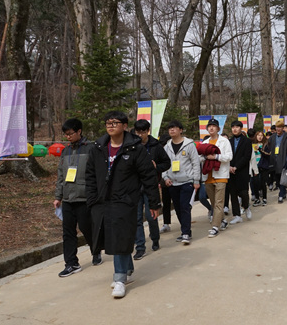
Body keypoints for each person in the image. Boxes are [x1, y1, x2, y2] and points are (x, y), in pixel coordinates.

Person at [86, 111, 161, 298]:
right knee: (112, 236)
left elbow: (148, 176)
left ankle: (119, 278)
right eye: (108, 122)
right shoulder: (98, 148)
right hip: (103, 201)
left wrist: (154, 203)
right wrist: (92, 199)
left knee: (119, 236)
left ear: (125, 126)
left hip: (125, 201)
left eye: (115, 122)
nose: (111, 125)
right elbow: (90, 175)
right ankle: (127, 268)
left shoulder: (135, 149)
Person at [54, 118, 101, 278]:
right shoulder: (65, 151)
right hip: (68, 198)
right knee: (68, 232)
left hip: (85, 197)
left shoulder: (92, 149)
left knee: (87, 228)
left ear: (79, 131)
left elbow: (98, 174)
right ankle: (71, 263)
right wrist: (58, 196)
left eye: (70, 133)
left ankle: (95, 250)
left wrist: (96, 195)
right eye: (66, 134)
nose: (68, 137)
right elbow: (61, 175)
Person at [131, 119, 171, 260]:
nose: (140, 135)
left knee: (151, 215)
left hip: (151, 185)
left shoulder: (156, 145)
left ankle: (155, 238)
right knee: (136, 218)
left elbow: (167, 163)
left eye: (143, 132)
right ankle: (140, 247)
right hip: (135, 186)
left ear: (148, 131)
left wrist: (156, 167)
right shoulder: (131, 146)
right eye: (138, 132)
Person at [162, 120, 201, 245]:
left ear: (180, 130)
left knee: (185, 207)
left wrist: (196, 180)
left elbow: (196, 163)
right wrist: (165, 178)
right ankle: (186, 231)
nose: (172, 130)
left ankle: (185, 232)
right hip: (173, 182)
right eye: (170, 128)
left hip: (187, 181)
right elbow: (164, 164)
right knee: (178, 208)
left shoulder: (189, 145)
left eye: (174, 128)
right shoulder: (166, 147)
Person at [201, 118, 233, 237]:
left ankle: (215, 226)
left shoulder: (224, 141)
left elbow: (229, 156)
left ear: (218, 128)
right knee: (214, 202)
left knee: (219, 202)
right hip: (208, 176)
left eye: (214, 126)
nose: (211, 128)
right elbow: (199, 157)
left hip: (220, 175)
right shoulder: (205, 143)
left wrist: (216, 157)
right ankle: (223, 220)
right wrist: (205, 157)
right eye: (209, 126)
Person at [228, 120, 253, 224]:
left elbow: (247, 157)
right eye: (233, 127)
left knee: (244, 193)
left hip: (242, 171)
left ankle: (246, 207)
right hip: (230, 171)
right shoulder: (229, 141)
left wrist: (236, 167)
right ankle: (237, 215)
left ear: (241, 128)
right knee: (233, 194)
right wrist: (229, 167)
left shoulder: (247, 141)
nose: (235, 129)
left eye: (237, 127)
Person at [268, 119, 287, 203]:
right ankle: (283, 191)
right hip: (274, 160)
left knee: (283, 177)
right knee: (277, 178)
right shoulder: (272, 137)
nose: (278, 129)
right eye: (277, 127)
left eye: (280, 127)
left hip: (283, 159)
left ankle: (280, 195)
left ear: (283, 128)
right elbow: (268, 147)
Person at [252, 131, 269, 206]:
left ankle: (264, 198)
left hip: (263, 166)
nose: (260, 137)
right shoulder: (252, 145)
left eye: (261, 135)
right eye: (258, 135)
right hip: (255, 166)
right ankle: (257, 198)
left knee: (263, 183)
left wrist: (259, 149)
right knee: (255, 183)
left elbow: (268, 155)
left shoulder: (266, 145)